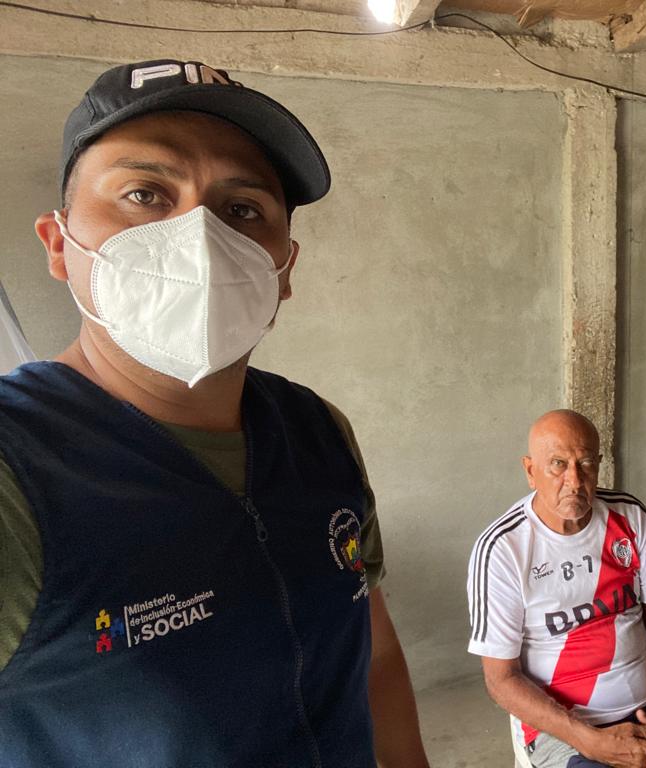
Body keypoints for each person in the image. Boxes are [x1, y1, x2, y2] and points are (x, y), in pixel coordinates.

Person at [0, 59, 429, 767]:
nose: (198, 235)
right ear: (58, 244)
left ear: (283, 269)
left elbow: (371, 646)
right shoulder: (17, 475)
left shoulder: (318, 431)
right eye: (144, 193)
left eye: (242, 209)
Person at [467, 409, 646, 768]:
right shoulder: (503, 549)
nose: (574, 480)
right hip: (571, 730)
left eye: (585, 463)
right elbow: (501, 679)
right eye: (557, 464)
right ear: (530, 471)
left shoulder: (628, 515)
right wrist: (592, 742)